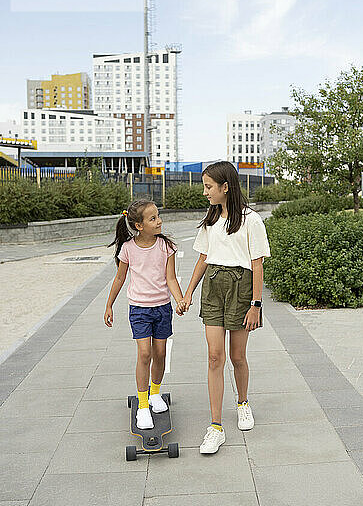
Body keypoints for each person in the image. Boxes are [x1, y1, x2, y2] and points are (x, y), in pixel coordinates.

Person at [178, 161, 270, 454]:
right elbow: (203, 258)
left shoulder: (251, 220)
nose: (205, 192)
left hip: (242, 287)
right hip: (214, 287)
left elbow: (257, 265)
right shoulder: (211, 220)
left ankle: (242, 402)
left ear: (225, 187)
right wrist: (188, 293)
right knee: (215, 357)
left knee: (237, 356)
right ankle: (215, 426)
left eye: (208, 187)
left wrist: (255, 304)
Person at [104, 199, 185, 430]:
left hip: (162, 308)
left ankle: (155, 393)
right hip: (139, 309)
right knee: (144, 354)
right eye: (153, 218)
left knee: (160, 353)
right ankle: (142, 405)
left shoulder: (166, 246)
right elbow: (120, 278)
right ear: (139, 225)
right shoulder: (128, 249)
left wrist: (179, 300)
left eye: (158, 216)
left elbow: (170, 278)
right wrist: (109, 305)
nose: (159, 221)